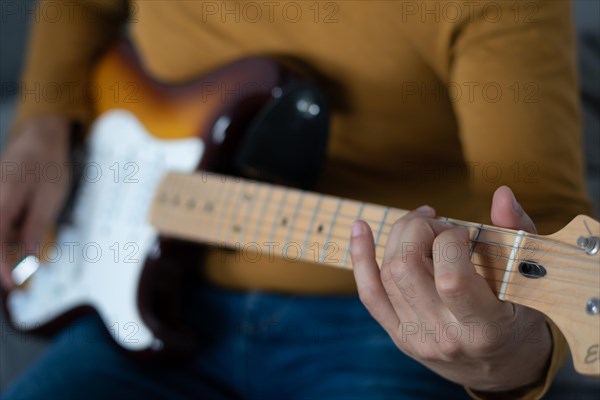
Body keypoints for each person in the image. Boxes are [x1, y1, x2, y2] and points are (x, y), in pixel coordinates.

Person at [0, 1, 593, 399]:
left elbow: (541, 215)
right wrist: (42, 122)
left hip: (382, 327)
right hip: (153, 294)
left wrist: (508, 359)